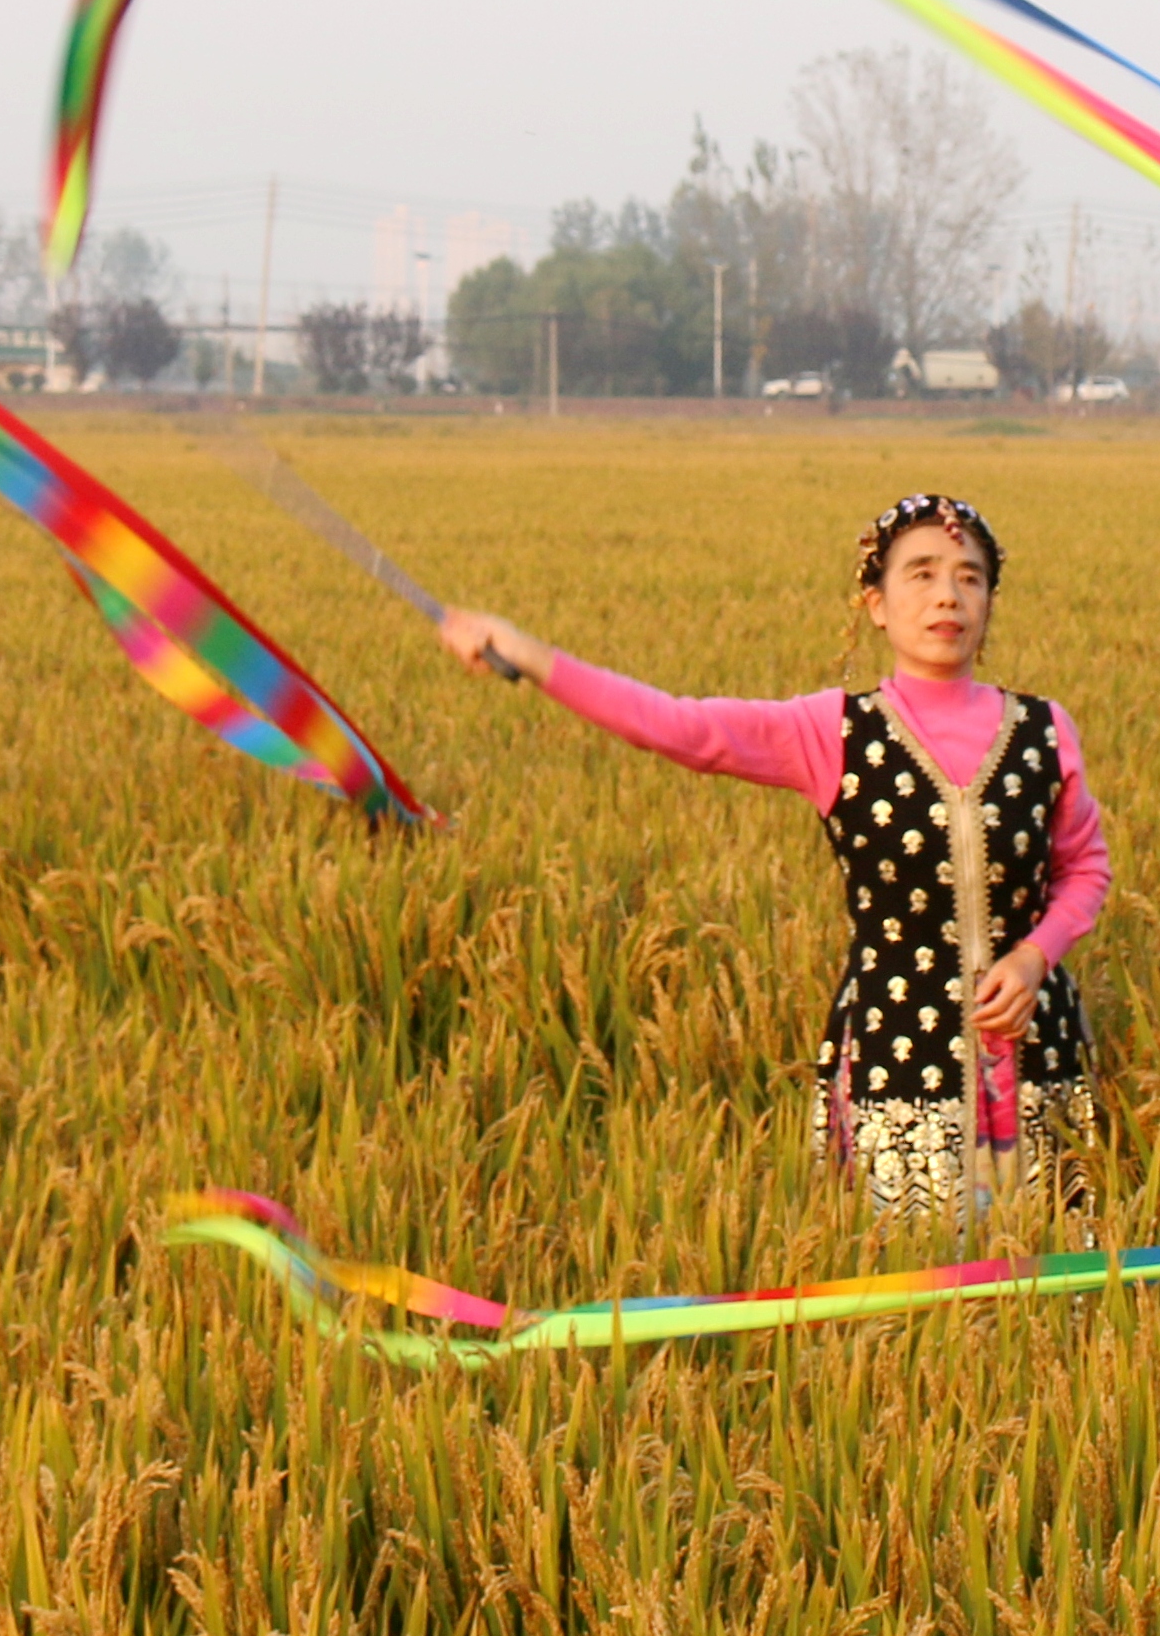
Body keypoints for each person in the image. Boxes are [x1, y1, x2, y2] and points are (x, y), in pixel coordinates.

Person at [434, 492, 1110, 1226]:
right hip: (897, 1049)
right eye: (920, 573)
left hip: (1039, 1046)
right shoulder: (833, 730)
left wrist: (1036, 957)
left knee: (1055, 1267)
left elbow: (1084, 869)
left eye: (969, 576)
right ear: (875, 604)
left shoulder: (1043, 729)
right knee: (912, 1287)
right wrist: (529, 654)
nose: (947, 594)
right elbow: (675, 725)